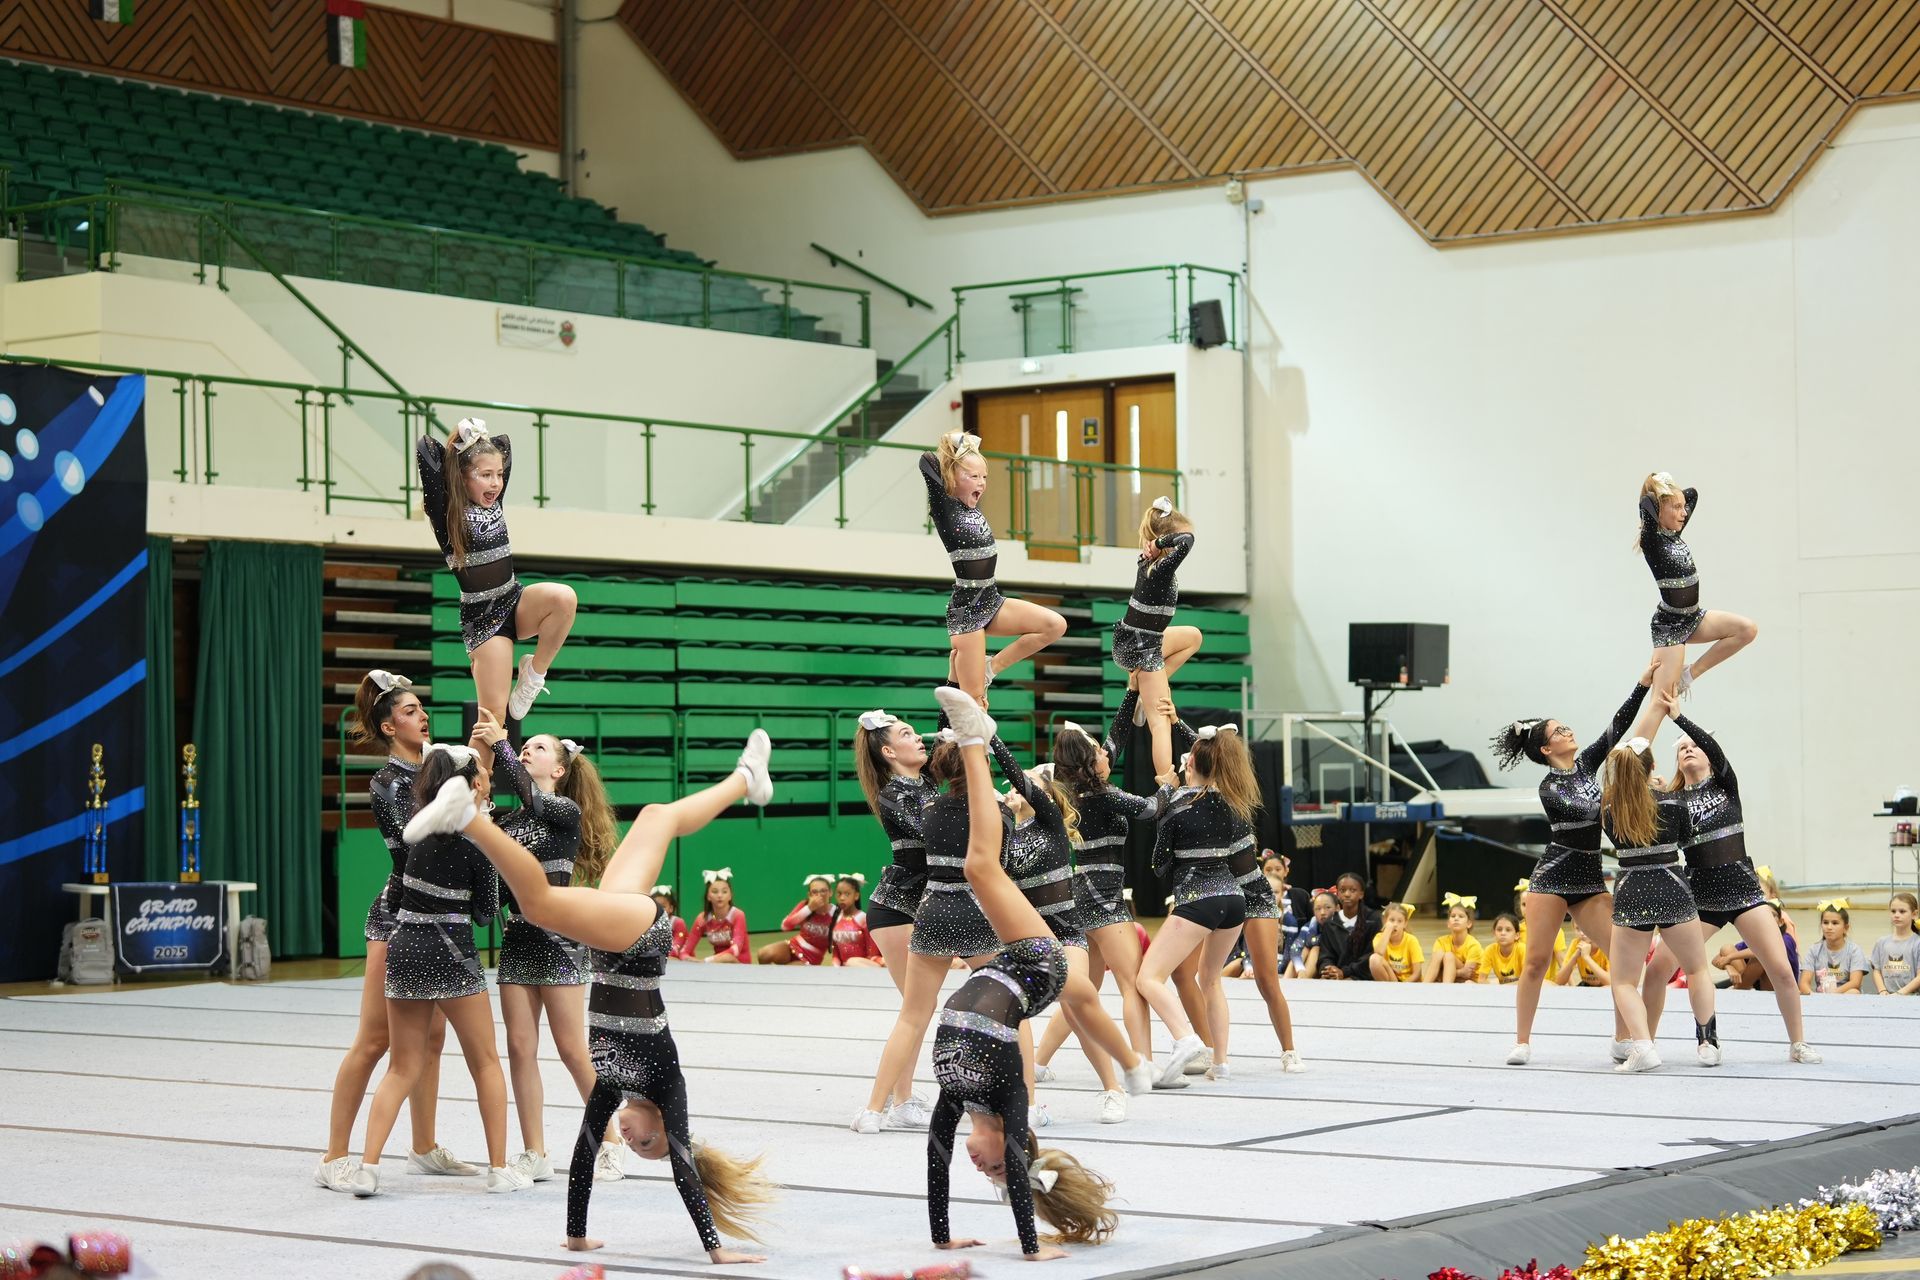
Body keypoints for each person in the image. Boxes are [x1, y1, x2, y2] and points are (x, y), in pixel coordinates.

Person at [403, 730, 781, 1263]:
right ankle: (469, 818)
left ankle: (746, 779)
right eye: (647, 1141)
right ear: (665, 1126)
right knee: (538, 903)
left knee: (656, 817)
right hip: (639, 939)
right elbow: (683, 1170)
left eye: (634, 1146)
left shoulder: (612, 1086)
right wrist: (716, 1251)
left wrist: (577, 1235)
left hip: (611, 941)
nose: (630, 1137)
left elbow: (583, 1156)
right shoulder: (667, 1085)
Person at [925, 686, 1118, 1262]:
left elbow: (934, 1161)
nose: (978, 1166)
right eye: (995, 1170)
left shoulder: (957, 1099)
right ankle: (976, 741)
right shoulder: (1009, 1098)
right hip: (1039, 962)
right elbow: (1013, 1159)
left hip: (1012, 958)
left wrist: (942, 1237)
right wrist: (1031, 1247)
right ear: (1017, 1152)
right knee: (980, 866)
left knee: (978, 865)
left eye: (985, 1173)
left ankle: (973, 738)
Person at [315, 671, 471, 1194]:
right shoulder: (388, 782)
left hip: (437, 916)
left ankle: (423, 1146)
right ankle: (334, 1156)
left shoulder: (437, 767)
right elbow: (415, 845)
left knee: (433, 1038)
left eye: (422, 708)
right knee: (374, 1040)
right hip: (398, 918)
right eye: (409, 711)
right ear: (388, 726)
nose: (422, 716)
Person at [353, 743, 525, 1196]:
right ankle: (499, 1168)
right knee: (485, 1062)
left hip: (405, 949)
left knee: (401, 1068)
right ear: (473, 785)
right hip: (451, 953)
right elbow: (485, 914)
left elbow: (401, 895)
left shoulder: (418, 835)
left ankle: (368, 1167)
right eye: (483, 775)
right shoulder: (478, 842)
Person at [476, 718, 618, 1185]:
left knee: (572, 1049)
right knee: (520, 1048)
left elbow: (531, 796)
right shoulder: (508, 822)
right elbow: (493, 894)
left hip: (558, 941)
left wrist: (503, 745)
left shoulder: (563, 811)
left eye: (538, 748)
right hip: (518, 940)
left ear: (559, 770)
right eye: (526, 747)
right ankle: (535, 1150)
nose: (528, 751)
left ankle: (612, 1140)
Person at [1489, 673, 1651, 1064]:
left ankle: (1622, 1038)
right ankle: (1522, 1041)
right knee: (1536, 961)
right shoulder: (1549, 788)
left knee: (1622, 958)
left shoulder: (1588, 765)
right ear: (1547, 749)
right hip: (1554, 877)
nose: (1568, 730)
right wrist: (1613, 799)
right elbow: (1584, 812)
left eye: (1566, 726)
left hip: (1589, 879)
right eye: (1559, 731)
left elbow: (1617, 725)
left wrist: (1643, 686)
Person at [1638, 715, 1820, 1062]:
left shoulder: (1725, 786)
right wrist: (1650, 790)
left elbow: (1712, 747)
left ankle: (1798, 1043)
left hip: (1743, 893)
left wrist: (1678, 717)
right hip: (1700, 898)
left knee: (1782, 969)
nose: (1689, 750)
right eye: (1682, 749)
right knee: (1658, 969)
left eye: (1695, 746)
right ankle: (1645, 1044)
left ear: (1709, 755)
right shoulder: (1673, 801)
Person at [993, 743, 1155, 1120]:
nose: (1015, 788)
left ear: (1047, 794)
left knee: (1078, 1005)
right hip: (1027, 937)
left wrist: (990, 740)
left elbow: (1019, 777)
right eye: (1014, 786)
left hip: (1065, 933)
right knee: (1005, 1012)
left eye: (1026, 784)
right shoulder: (1006, 831)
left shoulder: (1050, 820)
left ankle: (1113, 1089)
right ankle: (1022, 1099)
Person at [416, 419, 577, 727]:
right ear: (461, 476)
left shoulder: (494, 502)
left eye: (499, 474)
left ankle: (534, 673)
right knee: (493, 720)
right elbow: (427, 448)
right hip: (484, 618)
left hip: (514, 598)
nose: (495, 483)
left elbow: (503, 443)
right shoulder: (445, 510)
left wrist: (481, 442)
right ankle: (479, 764)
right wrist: (463, 441)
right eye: (485, 475)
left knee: (564, 598)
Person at [1133, 725, 1259, 1084]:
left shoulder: (1176, 805)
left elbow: (1159, 864)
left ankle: (1186, 1038)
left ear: (1189, 766)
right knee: (1210, 979)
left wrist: (1166, 804)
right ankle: (1221, 1063)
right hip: (1234, 901)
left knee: (1148, 977)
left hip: (1197, 900)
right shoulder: (1234, 801)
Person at [1599, 706, 1719, 1074]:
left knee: (1623, 980)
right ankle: (1708, 1044)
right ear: (1652, 768)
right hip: (1672, 886)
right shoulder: (1674, 802)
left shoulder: (1609, 809)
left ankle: (1643, 1045)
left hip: (1632, 889)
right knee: (1697, 969)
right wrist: (1662, 791)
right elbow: (1685, 838)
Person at [920, 432, 1066, 705]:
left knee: (1054, 625)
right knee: (974, 703)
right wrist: (955, 443)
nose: (981, 483)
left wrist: (969, 458)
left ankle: (992, 667)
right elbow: (927, 460)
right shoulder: (945, 507)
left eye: (984, 477)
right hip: (967, 609)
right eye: (973, 476)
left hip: (991, 598)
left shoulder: (973, 508)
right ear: (952, 477)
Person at [1623, 473, 1757, 745]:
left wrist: (1673, 496)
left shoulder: (1674, 533)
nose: (1684, 513)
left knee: (1746, 630)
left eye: (1684, 508)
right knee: (1661, 703)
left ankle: (1689, 674)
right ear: (1660, 509)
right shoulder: (1652, 540)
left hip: (1694, 617)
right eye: (1676, 507)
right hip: (1670, 626)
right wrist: (1657, 484)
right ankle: (1633, 763)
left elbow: (1692, 493)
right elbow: (1646, 502)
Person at [1113, 498, 1204, 780]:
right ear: (1165, 539)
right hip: (1141, 647)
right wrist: (1161, 542)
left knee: (1193, 637)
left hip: (1140, 639)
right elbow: (1188, 540)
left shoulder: (1150, 561)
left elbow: (1185, 539)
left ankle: (1144, 694)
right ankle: (1166, 781)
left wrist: (1158, 544)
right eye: (1170, 541)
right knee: (1161, 719)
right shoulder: (1160, 567)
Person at [1316, 873, 1382, 982]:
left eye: (1352, 890)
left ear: (1361, 894)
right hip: (1336, 977)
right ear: (1337, 894)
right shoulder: (1330, 923)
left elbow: (1370, 955)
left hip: (1363, 977)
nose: (1347, 894)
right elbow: (1325, 955)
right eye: (1342, 890)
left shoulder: (1372, 920)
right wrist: (1329, 969)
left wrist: (1344, 972)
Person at [1712, 903, 1793, 990]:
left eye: (1772, 915)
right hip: (1753, 982)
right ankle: (1743, 986)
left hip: (1779, 985)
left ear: (1781, 922)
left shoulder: (1786, 939)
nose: (1767, 919)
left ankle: (1740, 987)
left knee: (1761, 957)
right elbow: (1716, 960)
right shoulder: (1755, 939)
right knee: (1727, 948)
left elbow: (1764, 951)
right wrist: (1729, 967)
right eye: (1763, 916)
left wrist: (1730, 957)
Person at [759, 875, 836, 965]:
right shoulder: (805, 905)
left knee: (789, 970)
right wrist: (809, 909)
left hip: (811, 958)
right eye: (814, 892)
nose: (819, 895)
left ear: (830, 892)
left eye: (823, 891)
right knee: (763, 954)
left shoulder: (836, 914)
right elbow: (785, 926)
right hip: (793, 946)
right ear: (809, 895)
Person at [682, 871, 751, 963]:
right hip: (716, 965)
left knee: (727, 958)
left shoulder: (737, 915)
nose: (719, 895)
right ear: (708, 896)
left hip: (739, 963)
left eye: (724, 892)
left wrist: (705, 961)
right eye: (715, 892)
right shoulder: (703, 918)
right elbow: (685, 951)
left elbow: (735, 950)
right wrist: (687, 958)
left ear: (730, 896)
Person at [1800, 903, 1868, 995]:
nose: (1829, 927)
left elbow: (1855, 982)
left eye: (1835, 923)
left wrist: (1832, 995)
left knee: (1854, 992)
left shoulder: (1854, 951)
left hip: (1845, 996)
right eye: (1825, 923)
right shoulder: (1814, 950)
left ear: (1845, 928)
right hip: (1820, 998)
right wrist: (1814, 996)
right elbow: (1804, 983)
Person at [1423, 895, 1482, 984]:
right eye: (1453, 916)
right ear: (1448, 923)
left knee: (1449, 956)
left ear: (1469, 924)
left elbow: (1467, 974)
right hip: (1450, 978)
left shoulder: (1474, 945)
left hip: (1468, 983)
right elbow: (1435, 968)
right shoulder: (1440, 941)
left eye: (1461, 916)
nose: (1456, 918)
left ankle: (1447, 989)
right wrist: (1459, 972)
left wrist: (1443, 973)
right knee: (1439, 954)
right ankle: (1424, 986)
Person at [829, 875, 884, 967]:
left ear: (856, 895)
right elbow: (836, 955)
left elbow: (873, 954)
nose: (842, 898)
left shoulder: (863, 919)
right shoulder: (836, 918)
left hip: (866, 966)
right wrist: (835, 968)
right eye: (839, 893)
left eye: (847, 894)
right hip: (845, 970)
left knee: (851, 961)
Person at [1872, 893, 1920, 995]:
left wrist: (1900, 993)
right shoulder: (1881, 942)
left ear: (1914, 914)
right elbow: (1877, 970)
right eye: (1893, 911)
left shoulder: (1917, 943)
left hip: (1911, 998)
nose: (1896, 915)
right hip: (1886, 997)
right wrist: (1882, 990)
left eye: (1902, 911)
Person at [1371, 903, 1424, 982]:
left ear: (1405, 924)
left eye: (1399, 921)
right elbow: (1379, 952)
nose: (1395, 924)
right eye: (1392, 920)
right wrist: (1387, 931)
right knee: (1374, 959)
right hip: (1392, 979)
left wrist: (1403, 986)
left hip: (1409, 982)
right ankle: (1386, 988)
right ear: (1385, 921)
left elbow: (1417, 973)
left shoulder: (1411, 940)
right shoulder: (1379, 937)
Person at [1553, 923, 1611, 988]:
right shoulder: (1576, 944)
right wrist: (1575, 956)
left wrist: (1587, 957)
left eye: (1586, 928)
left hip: (1605, 987)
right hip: (1586, 985)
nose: (1582, 933)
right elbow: (1559, 982)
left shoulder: (1606, 945)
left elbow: (1610, 982)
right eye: (1578, 929)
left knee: (1607, 987)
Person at [1478, 914, 1525, 985]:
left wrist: (1503, 986)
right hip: (1503, 988)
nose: (1503, 933)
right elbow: (1481, 980)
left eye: (1508, 930)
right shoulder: (1490, 950)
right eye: (1499, 930)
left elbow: (1529, 980)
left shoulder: (1522, 949)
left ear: (1517, 935)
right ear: (1494, 934)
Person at [653, 884, 690, 960]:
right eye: (655, 906)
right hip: (660, 960)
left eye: (663, 906)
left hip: (682, 962)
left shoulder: (678, 923)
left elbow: (676, 948)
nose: (658, 909)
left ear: (671, 908)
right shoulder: (648, 924)